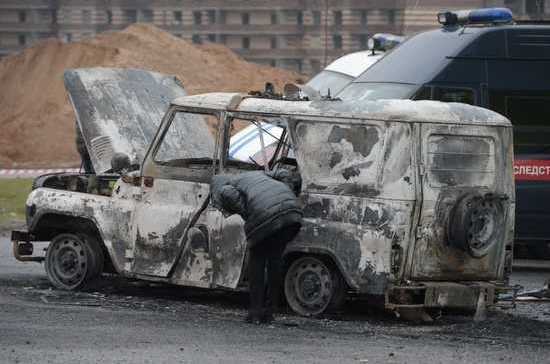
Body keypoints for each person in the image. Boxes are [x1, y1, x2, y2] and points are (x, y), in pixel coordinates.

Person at [210, 169, 302, 324]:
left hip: (265, 216)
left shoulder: (227, 186)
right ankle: (269, 312)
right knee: (275, 262)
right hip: (292, 214)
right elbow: (284, 173)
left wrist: (248, 212)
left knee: (257, 264)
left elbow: (228, 194)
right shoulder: (258, 174)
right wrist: (286, 196)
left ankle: (255, 312)